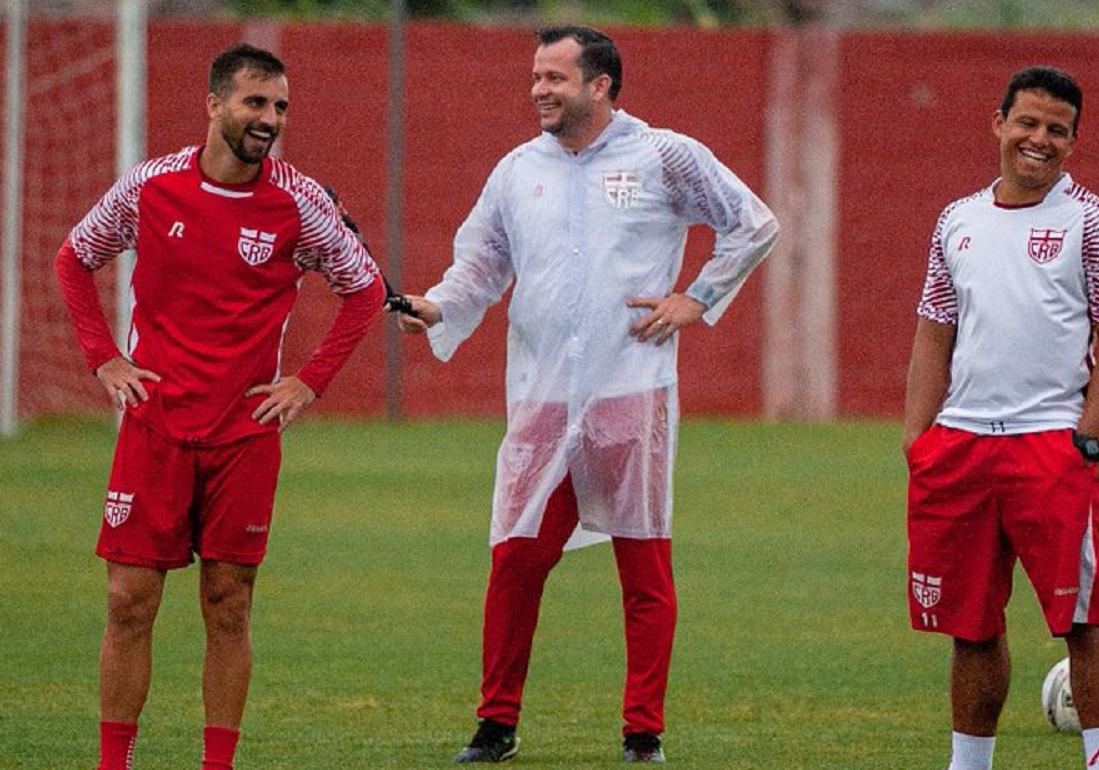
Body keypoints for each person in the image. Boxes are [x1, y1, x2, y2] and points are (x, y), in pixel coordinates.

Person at [396, 24, 778, 765]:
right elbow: (481, 263)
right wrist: (440, 307)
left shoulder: (665, 155)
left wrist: (695, 299)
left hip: (631, 394)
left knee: (644, 568)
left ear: (599, 85)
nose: (540, 90)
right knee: (514, 562)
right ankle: (495, 725)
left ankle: (643, 733)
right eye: (536, 76)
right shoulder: (517, 171)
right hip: (540, 401)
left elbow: (752, 224)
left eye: (555, 78)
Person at [55, 43, 385, 770]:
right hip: (154, 427)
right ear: (213, 105)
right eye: (255, 103)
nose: (269, 119)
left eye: (280, 107)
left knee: (228, 604)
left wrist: (310, 380)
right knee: (127, 602)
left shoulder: (300, 203)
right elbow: (74, 257)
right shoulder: (151, 188)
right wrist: (103, 358)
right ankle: (115, 763)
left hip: (244, 433)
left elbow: (364, 289)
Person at [903, 65, 1099, 770]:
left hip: (1049, 447)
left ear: (1073, 141)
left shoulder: (1092, 221)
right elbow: (933, 329)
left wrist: (1086, 441)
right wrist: (917, 438)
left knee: (1081, 618)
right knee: (970, 626)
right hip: (962, 446)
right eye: (1028, 123)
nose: (1040, 140)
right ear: (999, 123)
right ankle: (968, 765)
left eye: (1057, 130)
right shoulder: (958, 220)